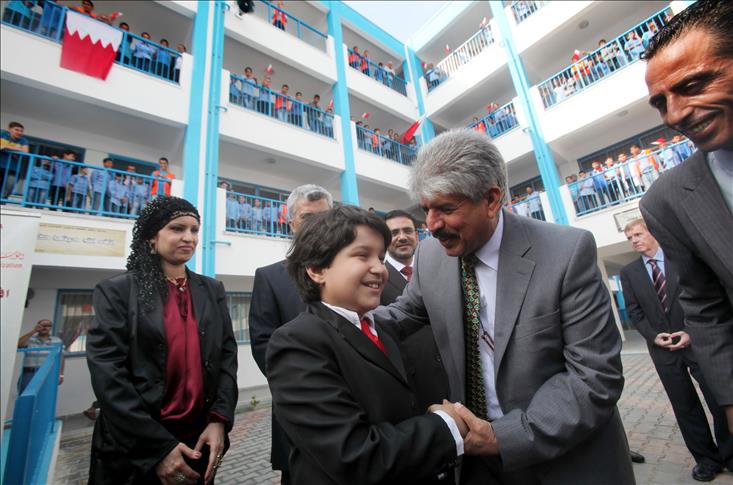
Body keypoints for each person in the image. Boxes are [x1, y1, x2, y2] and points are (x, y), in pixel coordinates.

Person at [374, 129, 635, 484]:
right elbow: (402, 314)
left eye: (446, 209)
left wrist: (503, 437)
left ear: (491, 199)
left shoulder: (566, 253)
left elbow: (595, 377)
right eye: (426, 209)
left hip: (562, 459)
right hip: (475, 462)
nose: (431, 226)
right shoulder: (431, 256)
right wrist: (335, 325)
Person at [266, 206, 464, 485]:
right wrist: (446, 425)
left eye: (381, 258)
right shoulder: (297, 342)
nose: (379, 268)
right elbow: (354, 456)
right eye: (362, 255)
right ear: (317, 269)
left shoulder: (380, 326)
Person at [86, 196, 238, 484]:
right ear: (152, 239)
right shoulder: (118, 291)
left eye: (194, 230)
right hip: (136, 445)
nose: (189, 237)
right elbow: (108, 373)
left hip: (199, 438)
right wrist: (158, 449)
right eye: (177, 228)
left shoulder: (212, 290)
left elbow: (227, 356)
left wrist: (219, 418)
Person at [640, 0, 733, 436]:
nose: (675, 115)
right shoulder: (667, 200)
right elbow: (706, 307)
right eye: (661, 103)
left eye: (693, 85)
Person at [620, 219, 732, 481]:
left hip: (697, 342)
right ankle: (707, 460)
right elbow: (635, 311)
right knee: (685, 406)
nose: (634, 240)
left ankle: (730, 454)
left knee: (718, 399)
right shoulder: (629, 272)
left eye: (638, 234)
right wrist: (653, 336)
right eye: (630, 238)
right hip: (663, 350)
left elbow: (703, 296)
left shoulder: (679, 258)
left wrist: (690, 331)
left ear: (652, 233)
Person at [249, 184, 333, 485]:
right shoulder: (270, 277)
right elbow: (263, 345)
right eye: (307, 218)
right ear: (291, 223)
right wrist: (307, 386)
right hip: (298, 410)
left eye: (323, 217)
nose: (316, 225)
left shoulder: (350, 269)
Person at [382, 209, 450, 411]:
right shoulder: (376, 278)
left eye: (407, 231)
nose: (402, 237)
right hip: (415, 387)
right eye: (394, 233)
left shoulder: (440, 269)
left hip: (456, 377)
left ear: (417, 235)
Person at [17, 319, 65, 394]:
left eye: (48, 325)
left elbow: (61, 357)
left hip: (48, 374)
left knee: (46, 395)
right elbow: (18, 344)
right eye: (42, 325)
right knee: (25, 395)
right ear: (37, 326)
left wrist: (61, 374)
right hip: (29, 374)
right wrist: (33, 331)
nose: (45, 327)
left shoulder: (57, 341)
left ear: (51, 328)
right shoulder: (29, 339)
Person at [1, 121, 29, 199]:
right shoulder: (2, 134)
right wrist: (17, 148)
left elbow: (25, 152)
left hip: (13, 168)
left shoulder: (23, 140)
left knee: (10, 186)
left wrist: (5, 147)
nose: (19, 132)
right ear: (9, 129)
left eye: (21, 131)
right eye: (17, 130)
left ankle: (3, 200)